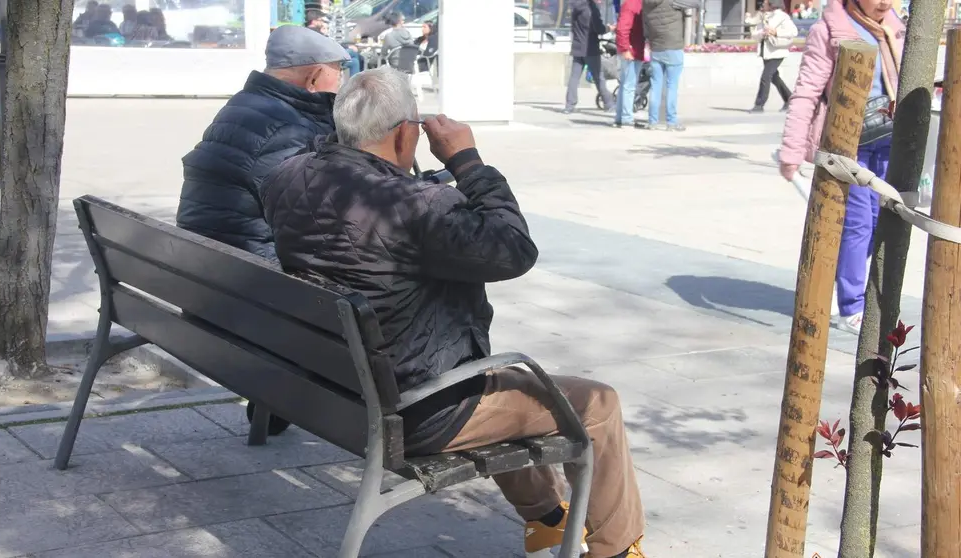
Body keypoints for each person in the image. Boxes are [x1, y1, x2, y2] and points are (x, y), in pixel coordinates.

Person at [262, 67, 648, 558]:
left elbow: (369, 219)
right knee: (597, 404)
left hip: (332, 389)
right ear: (406, 132)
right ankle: (616, 549)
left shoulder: (288, 176)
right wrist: (467, 161)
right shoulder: (418, 206)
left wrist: (420, 184)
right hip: (415, 412)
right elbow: (513, 250)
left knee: (505, 381)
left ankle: (547, 518)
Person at [778, 0, 904, 334]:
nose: (885, 2)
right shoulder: (830, 30)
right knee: (858, 223)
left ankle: (841, 280)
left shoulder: (897, 26)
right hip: (849, 142)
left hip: (891, 139)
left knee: (884, 222)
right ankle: (852, 306)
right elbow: (807, 91)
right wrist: (792, 149)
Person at [178, 25, 347, 262]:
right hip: (255, 273)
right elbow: (321, 218)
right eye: (339, 71)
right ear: (314, 78)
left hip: (210, 262)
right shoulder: (288, 129)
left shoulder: (245, 104)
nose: (341, 82)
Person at [642, 0, 700, 130]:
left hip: (656, 48)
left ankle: (652, 121)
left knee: (655, 86)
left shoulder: (645, 3)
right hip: (673, 47)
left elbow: (645, 28)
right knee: (671, 86)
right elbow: (695, 3)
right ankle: (671, 122)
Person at [565, 0, 614, 113]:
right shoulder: (591, 8)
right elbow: (599, 29)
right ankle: (609, 103)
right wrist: (609, 28)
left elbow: (573, 28)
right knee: (598, 77)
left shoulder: (575, 7)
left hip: (577, 46)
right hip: (590, 47)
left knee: (574, 77)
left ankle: (569, 105)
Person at [750, 0, 796, 113]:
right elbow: (755, 34)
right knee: (774, 78)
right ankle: (789, 99)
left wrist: (776, 32)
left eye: (765, 3)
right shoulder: (764, 17)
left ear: (772, 4)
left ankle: (759, 105)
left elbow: (793, 32)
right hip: (766, 52)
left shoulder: (782, 17)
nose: (762, 5)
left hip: (777, 52)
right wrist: (762, 33)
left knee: (765, 77)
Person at [614, 0, 646, 127]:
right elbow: (622, 29)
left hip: (633, 49)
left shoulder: (633, 4)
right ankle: (626, 119)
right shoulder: (632, 4)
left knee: (625, 85)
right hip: (632, 50)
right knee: (629, 86)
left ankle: (620, 118)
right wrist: (625, 49)